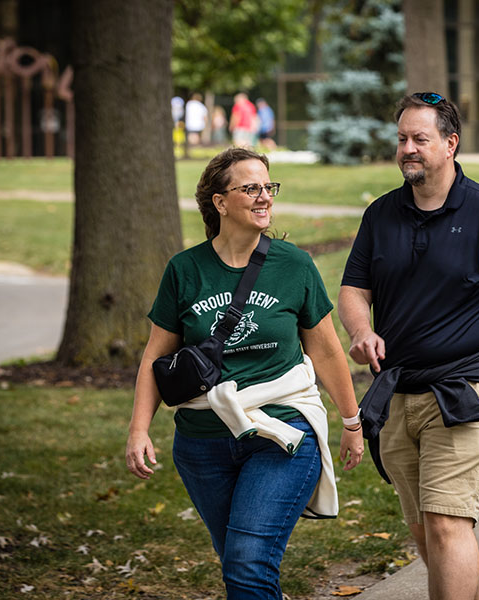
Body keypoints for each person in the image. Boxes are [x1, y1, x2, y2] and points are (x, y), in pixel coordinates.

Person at [126, 147, 364, 599]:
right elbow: (154, 359)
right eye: (250, 188)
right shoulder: (185, 270)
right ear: (220, 202)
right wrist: (140, 429)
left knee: (247, 563)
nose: (264, 198)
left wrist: (351, 422)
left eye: (268, 187)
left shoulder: (293, 265)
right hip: (201, 444)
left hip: (281, 430)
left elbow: (329, 353)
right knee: (240, 562)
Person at [338, 92, 479, 600]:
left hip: (468, 392)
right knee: (427, 534)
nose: (408, 149)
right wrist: (360, 330)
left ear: (450, 144)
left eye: (420, 138)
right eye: (402, 139)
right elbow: (354, 288)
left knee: (445, 526)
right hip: (399, 393)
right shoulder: (381, 214)